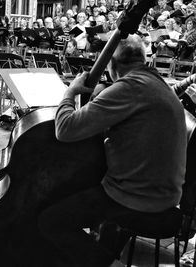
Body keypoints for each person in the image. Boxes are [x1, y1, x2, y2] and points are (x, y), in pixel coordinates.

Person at [38, 34, 187, 267]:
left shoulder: (130, 87)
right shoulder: (157, 83)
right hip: (165, 194)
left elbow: (65, 129)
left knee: (51, 220)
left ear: (112, 65)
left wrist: (70, 92)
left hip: (139, 199)